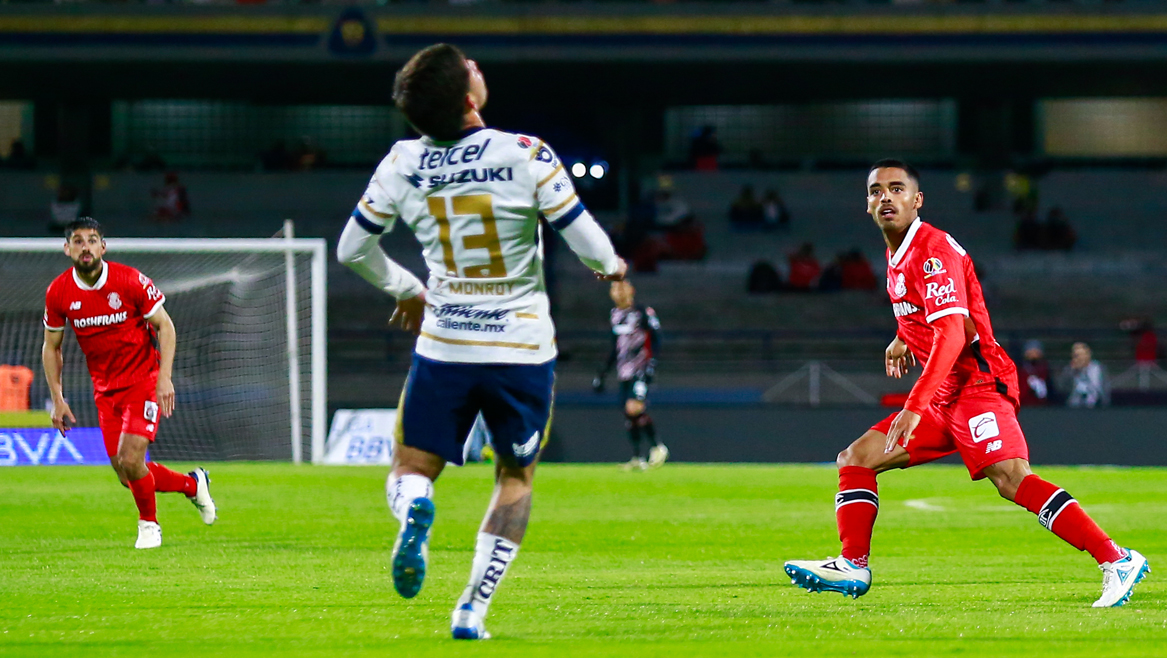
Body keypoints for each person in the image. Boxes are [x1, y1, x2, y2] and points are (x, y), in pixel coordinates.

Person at [336, 44, 626, 640]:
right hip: (521, 349)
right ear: (469, 95)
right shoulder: (526, 153)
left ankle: (416, 505)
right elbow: (593, 247)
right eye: (472, 65)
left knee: (412, 466)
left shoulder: (402, 162)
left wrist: (407, 289)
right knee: (515, 478)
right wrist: (612, 264)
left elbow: (351, 250)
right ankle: (472, 607)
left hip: (444, 343)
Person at [783, 160, 1146, 608]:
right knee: (856, 458)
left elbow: (954, 332)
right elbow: (932, 312)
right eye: (877, 191)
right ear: (867, 203)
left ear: (917, 200)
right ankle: (853, 564)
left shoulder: (931, 249)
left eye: (897, 189)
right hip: (944, 395)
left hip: (976, 386)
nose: (886, 198)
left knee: (1012, 479)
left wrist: (914, 405)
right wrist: (902, 337)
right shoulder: (897, 253)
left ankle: (1117, 558)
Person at [41, 218, 216, 549]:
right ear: (67, 249)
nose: (86, 247)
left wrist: (164, 378)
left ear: (103, 246)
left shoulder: (129, 280)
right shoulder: (59, 292)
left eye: (92, 240)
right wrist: (57, 398)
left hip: (144, 380)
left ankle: (149, 526)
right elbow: (52, 347)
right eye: (78, 241)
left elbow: (165, 326)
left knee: (132, 459)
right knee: (126, 473)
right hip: (105, 389)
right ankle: (193, 485)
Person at [593, 280, 667, 471]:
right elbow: (614, 348)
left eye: (621, 288)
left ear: (631, 290)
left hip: (640, 368)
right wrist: (602, 374)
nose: (618, 292)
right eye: (614, 288)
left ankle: (658, 446)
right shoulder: (615, 315)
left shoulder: (643, 312)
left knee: (634, 407)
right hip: (623, 371)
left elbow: (657, 339)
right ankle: (637, 457)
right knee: (630, 413)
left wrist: (651, 365)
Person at [1059, 342, 1110, 409]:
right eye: (1076, 355)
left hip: (1095, 407)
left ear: (1088, 355)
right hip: (1074, 407)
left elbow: (1105, 389)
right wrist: (1072, 372)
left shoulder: (1098, 369)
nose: (1080, 358)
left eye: (1082, 355)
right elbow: (1062, 389)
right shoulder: (1069, 370)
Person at [1018, 339, 1054, 406]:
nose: (1033, 353)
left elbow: (1051, 391)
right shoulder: (1020, 370)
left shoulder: (1045, 370)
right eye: (1030, 350)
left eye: (1036, 350)